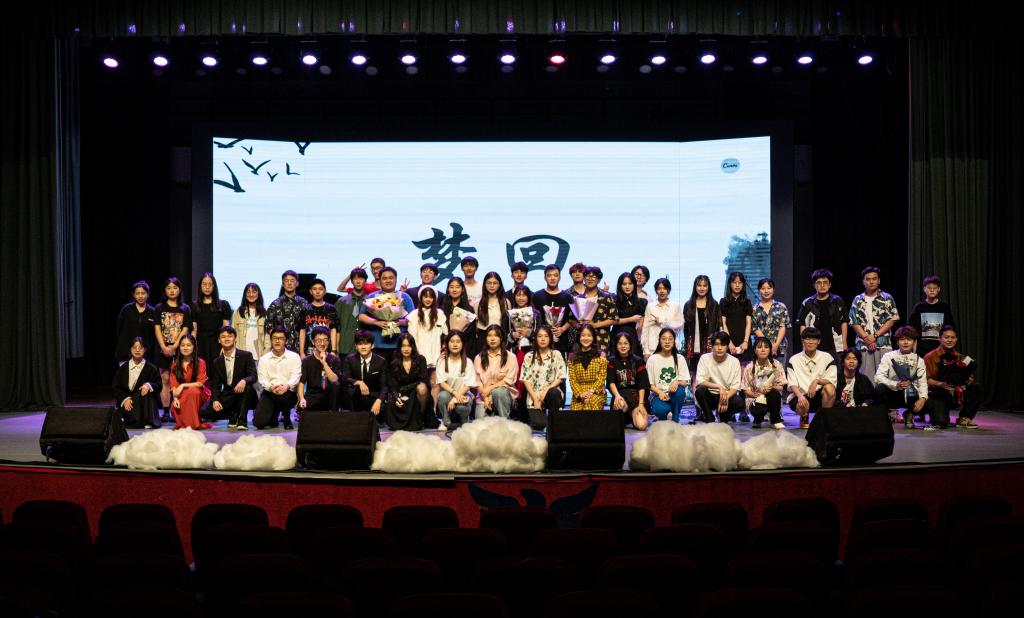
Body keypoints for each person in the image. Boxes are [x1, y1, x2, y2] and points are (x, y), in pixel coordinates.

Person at [874, 326, 936, 429]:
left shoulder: (919, 360)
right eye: (902, 339)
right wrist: (895, 384)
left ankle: (909, 413)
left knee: (928, 402)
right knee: (879, 389)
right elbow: (878, 377)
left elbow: (922, 382)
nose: (905, 342)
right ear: (897, 342)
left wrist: (922, 398)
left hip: (911, 395)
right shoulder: (889, 356)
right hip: (894, 393)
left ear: (914, 342)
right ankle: (885, 416)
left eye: (909, 339)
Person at [925, 325, 982, 429]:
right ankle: (921, 413)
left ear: (956, 339)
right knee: (940, 422)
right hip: (937, 393)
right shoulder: (930, 357)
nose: (950, 340)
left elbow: (970, 377)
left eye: (952, 337)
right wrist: (941, 384)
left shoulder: (960, 357)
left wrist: (965, 383)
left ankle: (964, 417)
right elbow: (926, 380)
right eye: (946, 337)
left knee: (975, 388)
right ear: (940, 338)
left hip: (955, 392)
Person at [200, 326, 257, 430]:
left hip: (244, 393)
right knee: (204, 412)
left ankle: (242, 419)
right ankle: (233, 413)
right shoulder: (217, 361)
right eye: (223, 337)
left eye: (230, 336)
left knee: (247, 388)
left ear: (235, 338)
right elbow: (215, 384)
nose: (226, 339)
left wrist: (244, 380)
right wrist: (215, 400)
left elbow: (253, 376)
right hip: (229, 395)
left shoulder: (246, 355)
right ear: (219, 340)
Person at [849, 267, 899, 385]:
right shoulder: (858, 300)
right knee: (866, 379)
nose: (871, 282)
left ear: (879, 280)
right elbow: (853, 321)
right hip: (863, 344)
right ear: (863, 281)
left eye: (874, 279)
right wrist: (867, 338)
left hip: (883, 343)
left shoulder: (887, 298)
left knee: (886, 378)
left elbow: (892, 319)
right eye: (868, 279)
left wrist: (875, 336)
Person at [357, 267, 415, 362]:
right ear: (379, 280)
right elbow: (361, 316)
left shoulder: (405, 297)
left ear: (396, 279)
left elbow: (413, 319)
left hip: (400, 346)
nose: (388, 281)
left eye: (391, 278)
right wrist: (376, 322)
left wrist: (400, 322)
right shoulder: (372, 296)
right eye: (384, 278)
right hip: (377, 345)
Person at [154, 277, 192, 417]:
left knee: (178, 379)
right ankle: (165, 411)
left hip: (180, 350)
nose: (172, 291)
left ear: (179, 290)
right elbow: (157, 328)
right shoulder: (159, 308)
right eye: (169, 288)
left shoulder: (185, 308)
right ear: (165, 290)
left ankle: (179, 409)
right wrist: (164, 347)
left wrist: (176, 346)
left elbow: (185, 328)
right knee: (164, 379)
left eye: (175, 288)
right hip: (162, 349)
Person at [786, 327, 838, 429]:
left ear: (819, 341)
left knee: (830, 389)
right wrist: (800, 396)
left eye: (814, 339)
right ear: (802, 341)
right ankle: (804, 421)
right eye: (807, 339)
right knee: (802, 405)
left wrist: (816, 381)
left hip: (820, 396)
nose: (810, 342)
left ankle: (824, 421)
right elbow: (792, 383)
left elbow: (832, 379)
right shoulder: (794, 360)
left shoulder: (827, 357)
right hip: (801, 396)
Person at [519, 325, 568, 430]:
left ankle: (554, 422)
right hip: (534, 396)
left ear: (550, 338)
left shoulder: (556, 354)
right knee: (540, 424)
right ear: (536, 339)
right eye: (540, 336)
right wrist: (535, 398)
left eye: (546, 336)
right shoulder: (529, 356)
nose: (543, 339)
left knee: (553, 393)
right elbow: (525, 379)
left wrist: (546, 390)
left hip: (551, 394)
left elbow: (561, 377)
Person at [255, 326, 302, 430]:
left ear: (286, 341)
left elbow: (296, 375)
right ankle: (274, 414)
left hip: (288, 393)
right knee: (259, 423)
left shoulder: (294, 357)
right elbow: (262, 379)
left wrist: (287, 386)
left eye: (280, 338)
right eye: (275, 338)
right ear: (271, 340)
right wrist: (271, 387)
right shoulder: (264, 359)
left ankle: (286, 418)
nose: (277, 341)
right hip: (270, 392)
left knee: (285, 396)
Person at [796, 268, 848, 357]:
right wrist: (804, 345)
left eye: (825, 282)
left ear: (830, 284)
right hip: (813, 345)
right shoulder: (807, 303)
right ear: (814, 285)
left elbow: (844, 322)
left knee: (836, 366)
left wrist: (844, 342)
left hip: (835, 346)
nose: (822, 285)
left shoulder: (837, 301)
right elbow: (802, 325)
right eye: (819, 283)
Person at [385, 333, 433, 431]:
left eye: (409, 346)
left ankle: (421, 417)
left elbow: (423, 380)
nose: (406, 349)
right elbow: (392, 384)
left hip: (417, 393)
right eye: (403, 346)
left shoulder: (421, 359)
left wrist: (405, 389)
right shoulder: (394, 363)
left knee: (422, 388)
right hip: (401, 393)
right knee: (391, 403)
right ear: (399, 348)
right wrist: (396, 397)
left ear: (413, 347)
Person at [695, 331, 745, 423]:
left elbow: (735, 387)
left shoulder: (734, 361)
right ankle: (709, 418)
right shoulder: (704, 358)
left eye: (723, 344)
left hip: (727, 395)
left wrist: (725, 399)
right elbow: (700, 381)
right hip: (710, 395)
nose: (720, 348)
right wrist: (719, 387)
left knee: (739, 403)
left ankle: (723, 416)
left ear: (727, 346)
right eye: (717, 344)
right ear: (712, 346)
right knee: (699, 391)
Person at [113, 337, 161, 428]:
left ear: (145, 349)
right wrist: (124, 399)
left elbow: (159, 385)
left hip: (143, 404)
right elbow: (116, 387)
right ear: (130, 349)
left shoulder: (151, 368)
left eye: (140, 347)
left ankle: (147, 421)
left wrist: (149, 385)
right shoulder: (123, 368)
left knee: (146, 390)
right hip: (129, 404)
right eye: (134, 347)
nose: (137, 350)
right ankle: (128, 419)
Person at [435, 330, 477, 432]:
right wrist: (454, 394)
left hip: (464, 395)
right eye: (452, 341)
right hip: (448, 394)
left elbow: (468, 385)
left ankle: (464, 421)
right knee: (442, 396)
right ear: (447, 344)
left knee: (462, 407)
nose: (455, 344)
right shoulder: (442, 361)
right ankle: (446, 422)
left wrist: (456, 397)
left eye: (458, 341)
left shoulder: (468, 362)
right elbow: (442, 383)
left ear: (462, 344)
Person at [607, 332, 651, 429]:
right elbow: (611, 382)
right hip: (620, 395)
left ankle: (632, 415)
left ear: (630, 345)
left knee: (642, 425)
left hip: (634, 397)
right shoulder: (612, 361)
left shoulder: (638, 361)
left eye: (625, 343)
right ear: (616, 345)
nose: (623, 346)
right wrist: (617, 396)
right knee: (620, 405)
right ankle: (625, 417)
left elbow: (642, 385)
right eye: (620, 343)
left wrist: (641, 404)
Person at [474, 324, 519, 418]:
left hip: (503, 396)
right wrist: (485, 397)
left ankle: (504, 420)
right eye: (489, 335)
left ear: (501, 338)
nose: (492, 339)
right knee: (480, 421)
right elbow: (477, 382)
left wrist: (490, 390)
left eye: (496, 335)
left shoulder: (511, 357)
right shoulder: (479, 358)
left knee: (498, 392)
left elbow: (509, 380)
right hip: (483, 397)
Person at [741, 337, 787, 429]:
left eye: (766, 347)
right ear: (755, 350)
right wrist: (752, 394)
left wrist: (771, 387)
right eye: (759, 347)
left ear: (770, 350)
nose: (763, 350)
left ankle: (775, 420)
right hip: (755, 398)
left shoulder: (777, 364)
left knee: (775, 394)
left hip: (771, 396)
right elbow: (745, 388)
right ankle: (758, 419)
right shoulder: (749, 367)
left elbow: (781, 386)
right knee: (758, 408)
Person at [532, 264, 576, 356]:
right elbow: (533, 319)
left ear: (559, 277)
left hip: (562, 343)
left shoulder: (567, 297)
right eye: (549, 275)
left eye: (555, 275)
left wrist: (562, 329)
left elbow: (572, 319)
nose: (552, 278)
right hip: (541, 343)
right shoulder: (536, 296)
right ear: (545, 278)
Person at [297, 326, 343, 414]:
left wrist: (324, 363)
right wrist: (302, 398)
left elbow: (334, 380)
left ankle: (334, 415)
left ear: (329, 342)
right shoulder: (306, 361)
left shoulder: (335, 359)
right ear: (313, 342)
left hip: (329, 395)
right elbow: (301, 382)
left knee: (336, 385)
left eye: (325, 340)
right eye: (318, 340)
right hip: (314, 394)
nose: (322, 343)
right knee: (303, 408)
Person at [169, 335, 211, 430]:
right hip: (182, 394)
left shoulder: (200, 362)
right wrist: (175, 398)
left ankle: (193, 424)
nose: (185, 348)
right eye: (182, 345)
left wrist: (183, 385)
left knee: (192, 391)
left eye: (188, 345)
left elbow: (200, 383)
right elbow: (174, 386)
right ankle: (187, 423)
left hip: (199, 394)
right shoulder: (174, 365)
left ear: (194, 347)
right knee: (175, 405)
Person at [341, 329, 388, 417]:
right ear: (356, 346)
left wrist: (379, 400)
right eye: (360, 344)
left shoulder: (381, 361)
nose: (363, 347)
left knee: (382, 411)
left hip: (374, 396)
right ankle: (354, 417)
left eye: (366, 344)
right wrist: (359, 382)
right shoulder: (350, 359)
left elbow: (384, 386)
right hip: (357, 396)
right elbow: (345, 378)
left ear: (372, 345)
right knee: (351, 390)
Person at [908, 275, 957, 357]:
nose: (932, 290)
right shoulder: (919, 307)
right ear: (924, 289)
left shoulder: (944, 307)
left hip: (940, 349)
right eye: (929, 288)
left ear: (938, 289)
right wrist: (914, 346)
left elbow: (950, 328)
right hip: (922, 349)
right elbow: (912, 328)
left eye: (934, 288)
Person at [646, 327, 689, 421]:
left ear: (674, 341)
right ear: (659, 340)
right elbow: (649, 385)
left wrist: (677, 382)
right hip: (657, 396)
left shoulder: (680, 358)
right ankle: (669, 413)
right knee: (662, 410)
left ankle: (675, 418)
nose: (667, 342)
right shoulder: (652, 359)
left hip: (674, 395)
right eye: (664, 339)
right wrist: (660, 392)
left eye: (670, 339)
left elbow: (685, 383)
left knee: (680, 391)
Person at [682, 276, 719, 383]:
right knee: (694, 372)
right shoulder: (688, 305)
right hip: (693, 345)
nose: (702, 288)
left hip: (709, 344)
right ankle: (694, 393)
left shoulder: (714, 304)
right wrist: (688, 345)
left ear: (708, 287)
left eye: (704, 286)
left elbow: (717, 326)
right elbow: (686, 328)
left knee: (708, 372)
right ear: (695, 287)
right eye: (699, 285)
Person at [192, 273, 232, 369]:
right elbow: (194, 330)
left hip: (217, 342)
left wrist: (225, 346)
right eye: (204, 284)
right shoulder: (195, 305)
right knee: (202, 370)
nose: (207, 287)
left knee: (217, 370)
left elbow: (226, 329)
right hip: (201, 343)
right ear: (200, 286)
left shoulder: (223, 304)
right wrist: (193, 346)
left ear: (214, 286)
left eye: (210, 284)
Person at [405, 286, 447, 377]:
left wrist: (444, 347)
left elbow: (445, 333)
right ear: (421, 298)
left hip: (436, 354)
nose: (428, 299)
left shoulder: (440, 314)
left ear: (434, 299)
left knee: (435, 380)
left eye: (431, 297)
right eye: (425, 296)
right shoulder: (414, 314)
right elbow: (412, 337)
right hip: (419, 354)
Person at [577, 266, 618, 356]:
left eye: (593, 277)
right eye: (588, 276)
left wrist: (595, 325)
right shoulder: (578, 298)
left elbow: (614, 319)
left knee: (600, 364)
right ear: (584, 279)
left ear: (599, 280)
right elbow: (571, 319)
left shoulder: (606, 297)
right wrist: (578, 324)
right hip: (582, 341)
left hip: (601, 340)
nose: (590, 279)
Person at [266, 270, 308, 353]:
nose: (289, 283)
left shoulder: (304, 303)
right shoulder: (275, 304)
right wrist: (278, 340)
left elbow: (307, 326)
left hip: (300, 349)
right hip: (280, 349)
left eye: (292, 280)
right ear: (282, 284)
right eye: (286, 281)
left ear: (297, 283)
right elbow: (269, 326)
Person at [567, 324, 608, 410]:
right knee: (577, 410)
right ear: (579, 337)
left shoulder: (600, 356)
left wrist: (591, 392)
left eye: (589, 335)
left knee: (590, 404)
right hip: (579, 393)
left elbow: (601, 377)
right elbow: (572, 379)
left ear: (593, 338)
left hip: (596, 393)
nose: (586, 338)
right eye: (583, 335)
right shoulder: (572, 357)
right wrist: (580, 394)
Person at [115, 281, 156, 363]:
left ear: (147, 294)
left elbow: (153, 334)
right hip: (126, 353)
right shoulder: (127, 309)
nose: (140, 296)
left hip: (144, 355)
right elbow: (119, 330)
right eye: (137, 293)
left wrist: (147, 348)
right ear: (134, 295)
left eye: (143, 293)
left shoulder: (152, 311)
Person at [643, 277, 685, 358]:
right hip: (653, 347)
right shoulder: (650, 306)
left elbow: (680, 325)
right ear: (656, 290)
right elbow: (645, 329)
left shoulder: (675, 306)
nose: (662, 291)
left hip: (671, 346)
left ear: (668, 290)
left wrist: (662, 322)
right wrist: (646, 351)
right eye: (659, 288)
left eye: (664, 288)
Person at [298, 278, 339, 356]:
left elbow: (334, 330)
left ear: (325, 291)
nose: (317, 292)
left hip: (327, 351)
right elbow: (302, 331)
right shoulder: (305, 309)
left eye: (320, 289)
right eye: (314, 289)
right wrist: (302, 352)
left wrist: (334, 350)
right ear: (310, 291)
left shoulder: (331, 309)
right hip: (309, 352)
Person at [752, 278, 790, 363]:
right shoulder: (754, 309)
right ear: (759, 290)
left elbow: (783, 326)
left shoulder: (781, 306)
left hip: (779, 347)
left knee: (779, 370)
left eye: (769, 288)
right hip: (761, 348)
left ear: (773, 289)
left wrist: (775, 345)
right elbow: (755, 328)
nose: (766, 291)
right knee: (762, 370)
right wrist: (767, 345)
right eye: (763, 288)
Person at [334, 267, 369, 356]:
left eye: (361, 278)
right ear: (351, 281)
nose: (358, 281)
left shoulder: (370, 301)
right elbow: (335, 326)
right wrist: (335, 348)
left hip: (364, 346)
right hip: (344, 347)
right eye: (355, 279)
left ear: (365, 280)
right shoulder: (342, 301)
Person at [720, 272, 754, 363]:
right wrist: (729, 342)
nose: (737, 285)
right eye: (734, 282)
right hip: (729, 340)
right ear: (730, 284)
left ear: (743, 284)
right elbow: (723, 324)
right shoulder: (724, 302)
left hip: (744, 341)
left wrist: (746, 341)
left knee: (745, 368)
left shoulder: (747, 302)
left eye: (740, 282)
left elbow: (749, 323)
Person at [442, 277, 478, 359]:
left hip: (465, 347)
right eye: (451, 287)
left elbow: (471, 333)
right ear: (448, 289)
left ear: (463, 289)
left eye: (457, 287)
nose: (454, 290)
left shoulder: (469, 309)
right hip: (446, 347)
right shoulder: (442, 309)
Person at [232, 283, 271, 359]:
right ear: (245, 295)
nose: (251, 294)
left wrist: (265, 354)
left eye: (254, 292)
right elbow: (233, 333)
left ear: (258, 294)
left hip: (259, 355)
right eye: (248, 292)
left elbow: (267, 336)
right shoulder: (238, 312)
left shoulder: (265, 313)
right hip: (241, 354)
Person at [475, 272, 512, 345]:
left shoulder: (506, 302)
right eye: (489, 283)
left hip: (500, 338)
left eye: (495, 283)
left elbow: (508, 324)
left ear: (499, 285)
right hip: (482, 339)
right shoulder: (477, 303)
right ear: (485, 285)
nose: (492, 286)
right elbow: (475, 325)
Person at [612, 272, 647, 342]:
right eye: (624, 284)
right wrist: (631, 319)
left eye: (630, 284)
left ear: (634, 285)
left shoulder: (642, 302)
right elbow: (612, 321)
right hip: (616, 336)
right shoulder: (614, 300)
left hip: (632, 336)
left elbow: (640, 326)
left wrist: (638, 338)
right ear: (620, 286)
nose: (627, 287)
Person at [508, 285, 540, 361]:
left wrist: (529, 333)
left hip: (532, 350)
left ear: (528, 297)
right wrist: (513, 335)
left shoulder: (536, 313)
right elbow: (504, 333)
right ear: (514, 297)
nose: (521, 298)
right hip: (515, 350)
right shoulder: (509, 314)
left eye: (524, 295)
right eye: (518, 295)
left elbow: (540, 332)